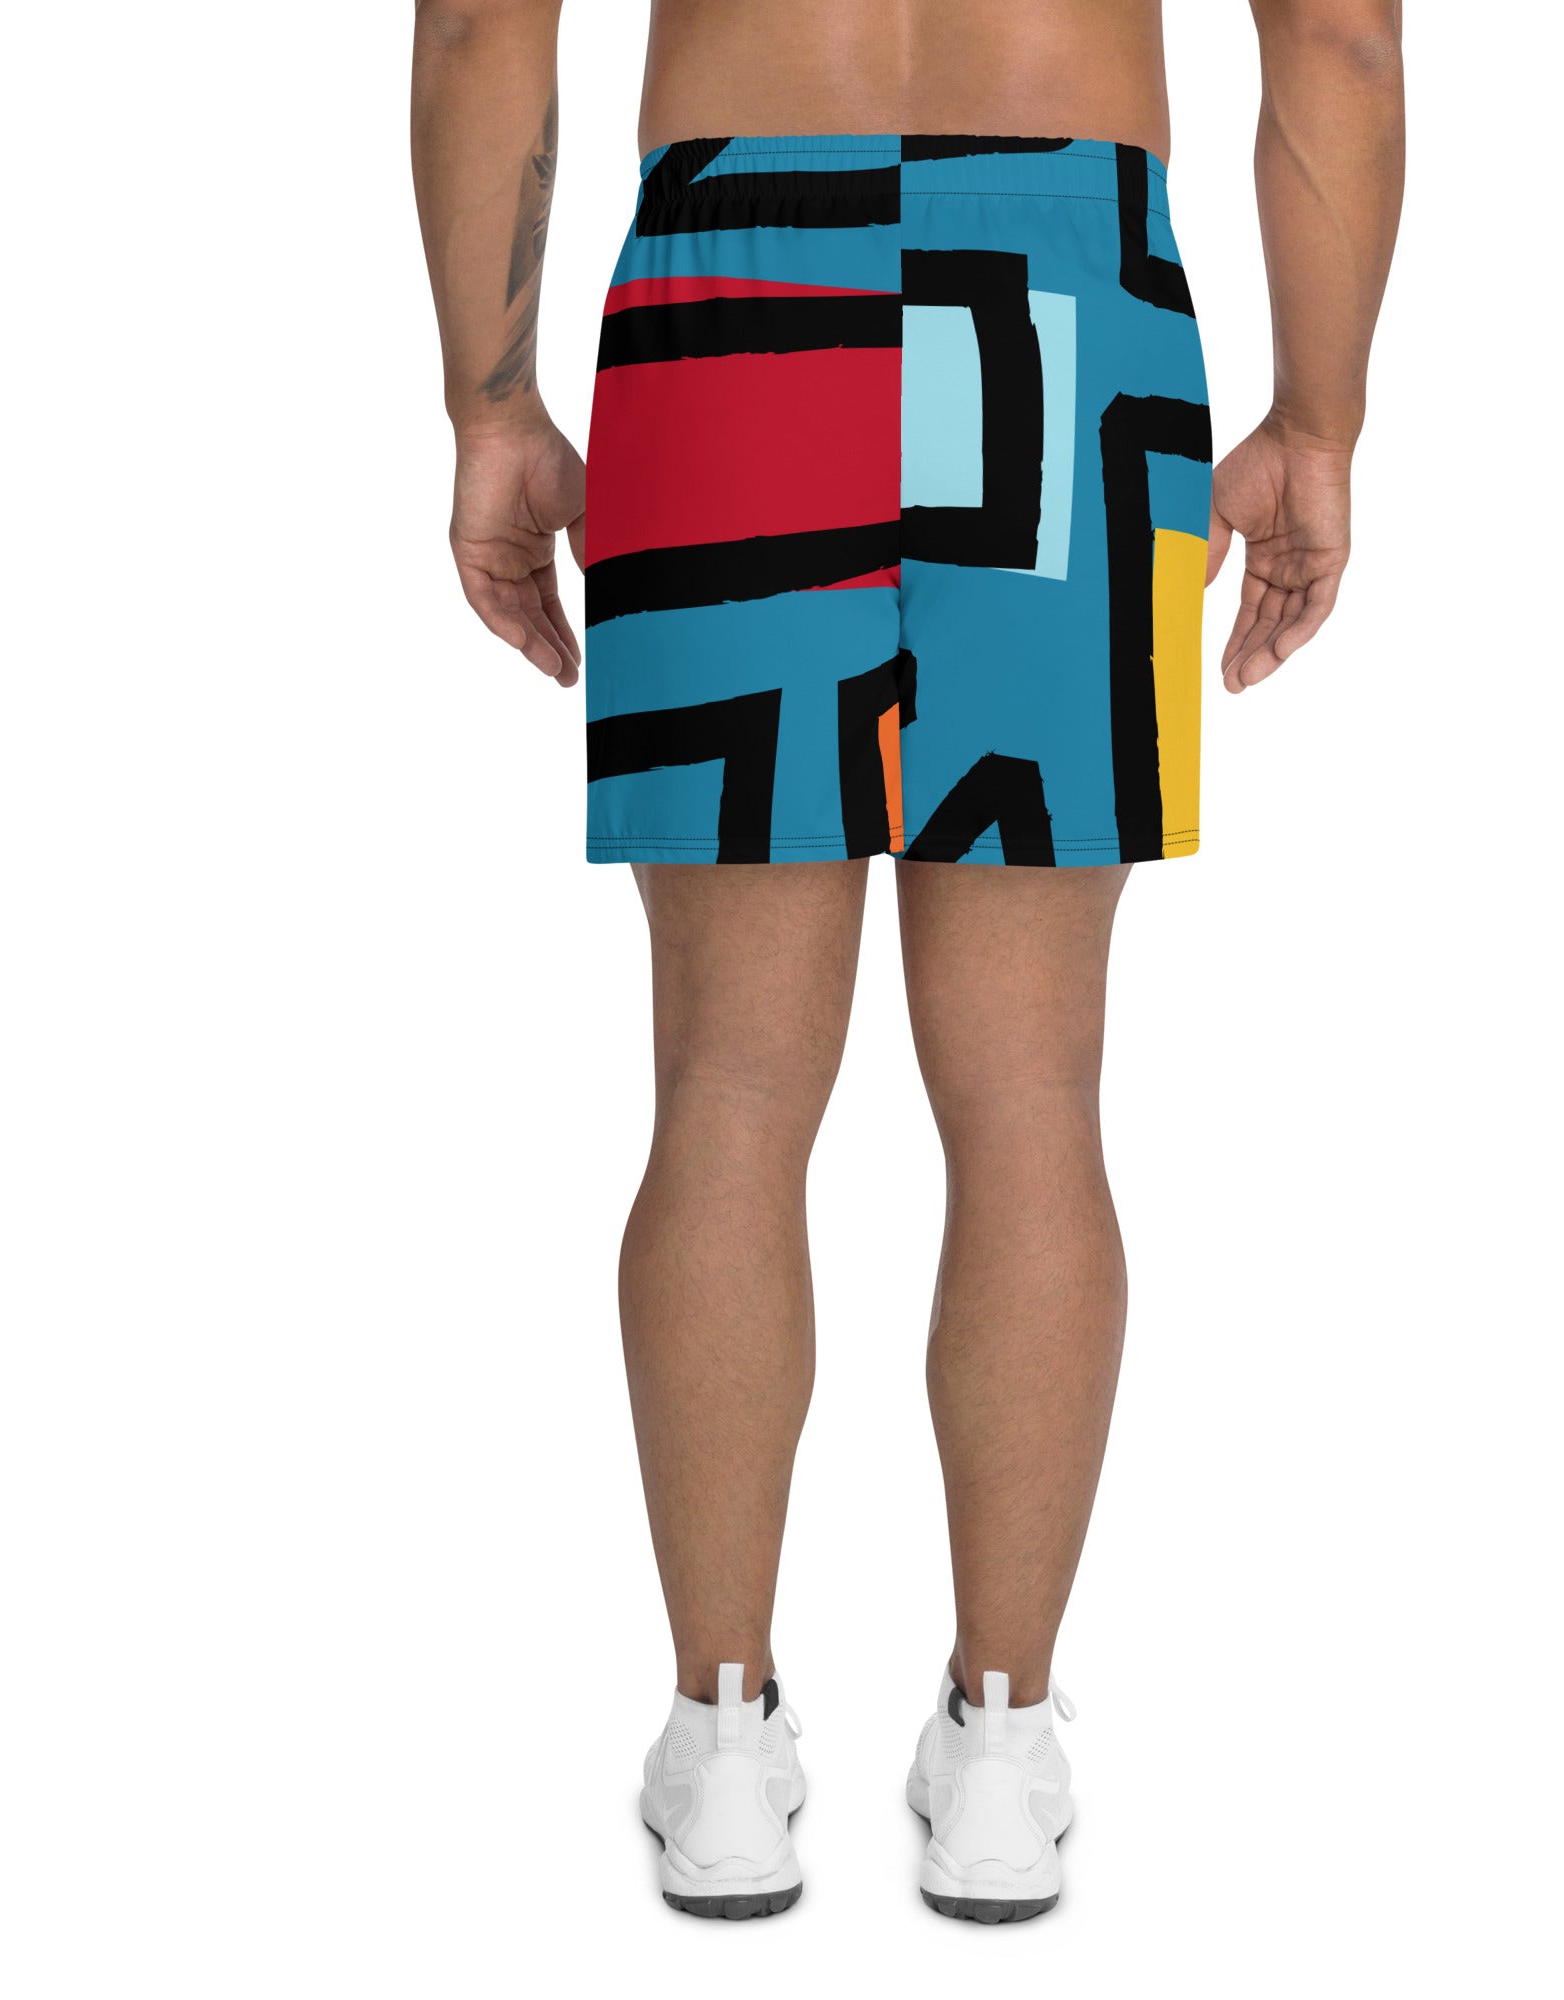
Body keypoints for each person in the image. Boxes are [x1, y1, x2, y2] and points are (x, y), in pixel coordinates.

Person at [411, 0, 1403, 1923]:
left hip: (732, 284)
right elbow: (1342, 46)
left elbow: (476, 26)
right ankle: (1005, 1747)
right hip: (1068, 286)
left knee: (727, 1084)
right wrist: (1322, 423)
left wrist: (489, 407)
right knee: (1031, 1093)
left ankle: (721, 1743)